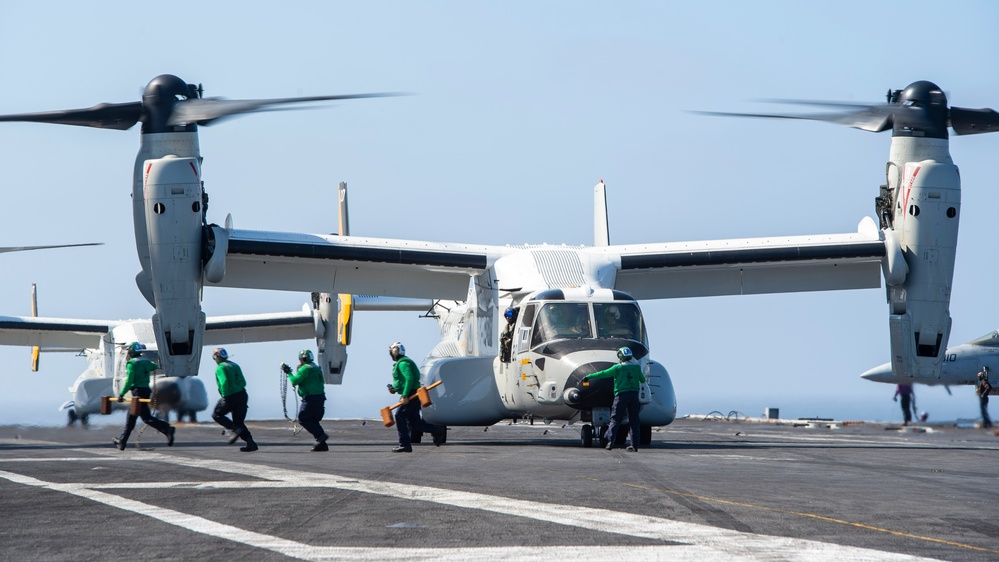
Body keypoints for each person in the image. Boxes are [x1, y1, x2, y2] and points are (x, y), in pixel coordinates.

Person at [112, 342, 175, 450]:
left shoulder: (132, 364)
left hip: (137, 393)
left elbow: (129, 380)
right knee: (141, 417)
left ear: (131, 352)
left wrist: (121, 394)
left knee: (135, 417)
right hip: (146, 391)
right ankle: (122, 442)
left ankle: (122, 442)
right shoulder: (146, 362)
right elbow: (154, 366)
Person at [581, 346, 646, 451]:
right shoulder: (636, 367)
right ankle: (634, 445)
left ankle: (610, 442)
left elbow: (603, 374)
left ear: (620, 356)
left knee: (615, 420)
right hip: (634, 395)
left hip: (621, 395)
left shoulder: (618, 368)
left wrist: (589, 376)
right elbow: (642, 380)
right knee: (634, 421)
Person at [387, 341, 444, 452]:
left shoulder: (403, 363)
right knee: (414, 422)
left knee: (400, 416)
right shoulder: (402, 362)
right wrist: (395, 389)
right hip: (411, 393)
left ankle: (404, 444)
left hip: (410, 394)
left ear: (395, 351)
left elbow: (409, 379)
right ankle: (437, 430)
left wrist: (404, 395)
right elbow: (404, 381)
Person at [210, 348, 257, 452]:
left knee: (216, 415)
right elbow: (243, 382)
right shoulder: (234, 365)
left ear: (217, 357)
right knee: (239, 422)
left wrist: (225, 395)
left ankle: (235, 430)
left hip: (230, 396)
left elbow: (224, 382)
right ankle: (251, 443)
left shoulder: (220, 368)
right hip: (242, 394)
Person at [281, 349, 329, 451]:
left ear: (303, 358)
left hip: (310, 398)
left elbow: (294, 381)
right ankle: (322, 444)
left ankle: (321, 436)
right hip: (320, 397)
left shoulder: (305, 369)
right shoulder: (316, 367)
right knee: (313, 420)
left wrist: (288, 373)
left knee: (303, 419)